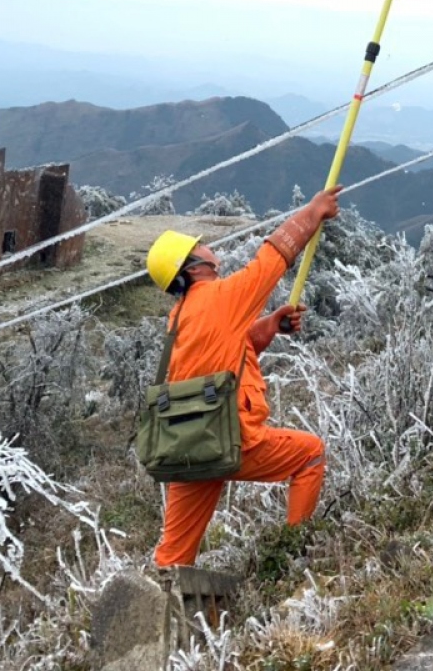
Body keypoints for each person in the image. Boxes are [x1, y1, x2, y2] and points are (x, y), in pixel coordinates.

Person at [146, 185, 341, 567]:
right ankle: (292, 558)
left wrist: (267, 326)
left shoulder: (180, 316)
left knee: (173, 556)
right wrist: (312, 213)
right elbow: (272, 260)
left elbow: (221, 356)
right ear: (193, 265)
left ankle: (158, 614)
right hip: (231, 441)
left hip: (187, 450)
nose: (206, 246)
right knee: (310, 455)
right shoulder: (219, 297)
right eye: (199, 246)